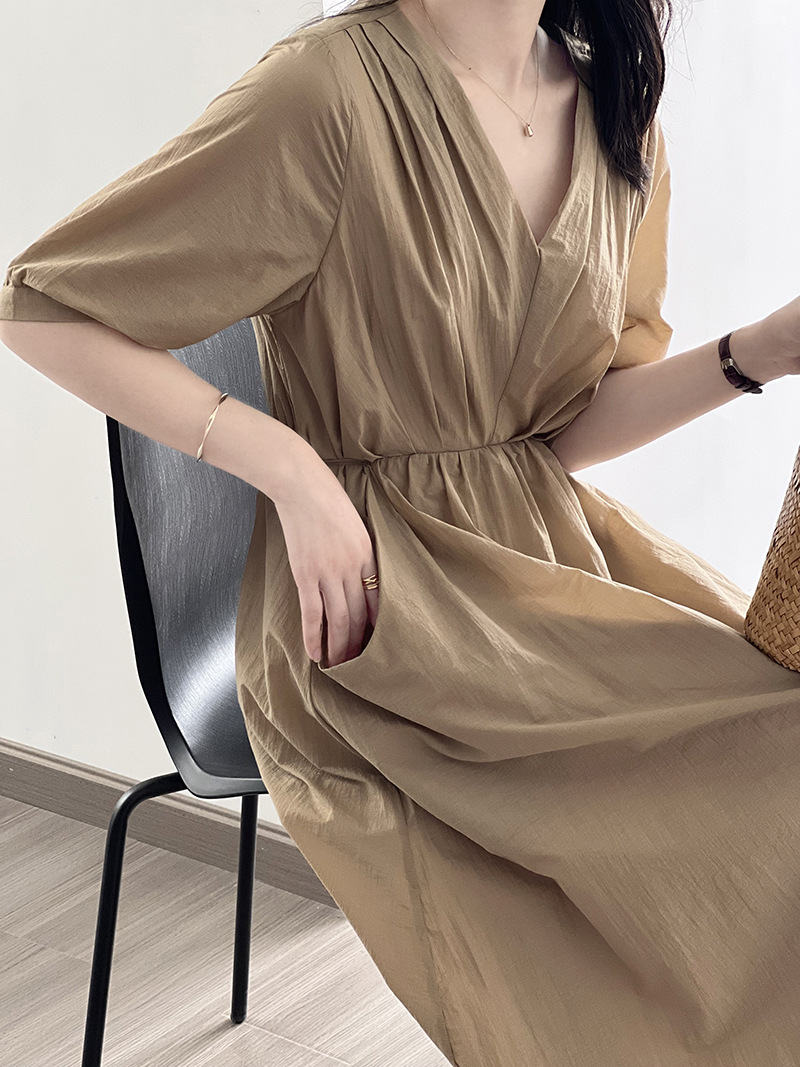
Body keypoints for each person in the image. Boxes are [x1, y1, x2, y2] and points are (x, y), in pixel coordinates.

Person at [3, 0, 800, 1062]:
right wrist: (293, 470)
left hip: (539, 562)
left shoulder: (617, 109)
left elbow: (559, 432)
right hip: (379, 609)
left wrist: (761, 349)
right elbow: (42, 308)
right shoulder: (327, 92)